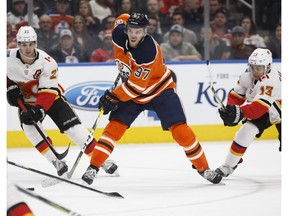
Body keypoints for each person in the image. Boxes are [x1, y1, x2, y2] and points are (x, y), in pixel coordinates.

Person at [81, 13, 222, 185]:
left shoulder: (148, 51)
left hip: (160, 90)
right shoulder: (118, 34)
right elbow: (122, 17)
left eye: (138, 32)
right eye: (131, 30)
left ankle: (204, 169)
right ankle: (93, 166)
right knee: (114, 128)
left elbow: (137, 88)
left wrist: (113, 96)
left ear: (145, 32)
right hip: (133, 91)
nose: (133, 35)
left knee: (181, 131)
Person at [7, 26, 118, 177]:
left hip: (52, 98)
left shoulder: (47, 62)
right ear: (18, 44)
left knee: (74, 130)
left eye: (31, 44)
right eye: (24, 44)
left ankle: (102, 160)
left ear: (36, 43)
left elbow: (48, 92)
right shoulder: (7, 58)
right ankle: (56, 161)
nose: (28, 48)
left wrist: (39, 109)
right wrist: (9, 86)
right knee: (31, 130)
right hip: (26, 101)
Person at [215, 48, 281, 178]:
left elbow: (258, 108)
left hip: (280, 109)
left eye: (259, 68)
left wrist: (239, 113)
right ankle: (228, 166)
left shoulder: (271, 81)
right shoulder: (247, 74)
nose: (255, 71)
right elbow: (236, 95)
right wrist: (230, 110)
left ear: (267, 67)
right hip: (267, 108)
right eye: (253, 67)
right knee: (246, 131)